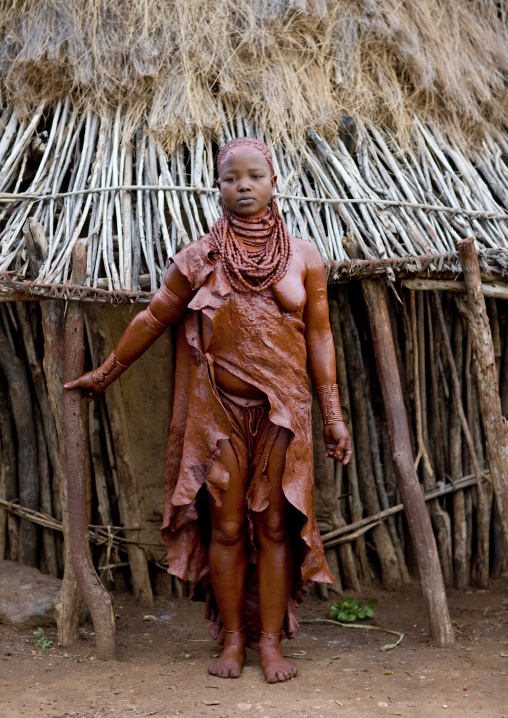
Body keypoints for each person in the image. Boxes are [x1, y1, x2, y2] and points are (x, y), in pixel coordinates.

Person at [65, 137, 352, 683]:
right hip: (219, 413)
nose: (242, 186)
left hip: (282, 414)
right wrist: (105, 374)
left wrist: (333, 414)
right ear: (216, 187)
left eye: (254, 176)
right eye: (230, 178)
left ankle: (270, 643)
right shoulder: (200, 256)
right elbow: (154, 318)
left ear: (274, 182)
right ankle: (233, 641)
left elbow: (320, 335)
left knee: (273, 526)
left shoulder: (305, 256)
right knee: (224, 527)